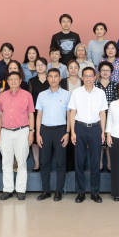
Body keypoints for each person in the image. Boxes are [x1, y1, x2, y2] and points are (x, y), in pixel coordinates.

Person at [68, 67, 108, 203]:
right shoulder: (76, 92)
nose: (88, 78)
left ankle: (95, 192)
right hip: (80, 128)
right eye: (86, 76)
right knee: (79, 161)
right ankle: (80, 192)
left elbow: (103, 113)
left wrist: (103, 131)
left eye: (91, 76)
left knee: (95, 162)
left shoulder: (100, 93)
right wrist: (72, 132)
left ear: (95, 77)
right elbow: (72, 112)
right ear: (82, 77)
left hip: (95, 128)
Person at [0, 72, 35, 201]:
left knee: (21, 161)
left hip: (22, 131)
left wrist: (31, 132)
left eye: (16, 79)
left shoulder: (27, 95)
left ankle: (20, 189)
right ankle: (7, 189)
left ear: (20, 81)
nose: (13, 81)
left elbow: (31, 115)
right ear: (7, 81)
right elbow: (0, 116)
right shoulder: (3, 96)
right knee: (6, 162)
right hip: (5, 132)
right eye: (10, 79)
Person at [35, 68, 71, 201]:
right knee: (44, 162)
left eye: (56, 76)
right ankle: (46, 191)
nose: (53, 79)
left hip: (61, 130)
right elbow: (39, 115)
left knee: (60, 162)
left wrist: (68, 132)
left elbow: (69, 115)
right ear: (47, 78)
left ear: (60, 78)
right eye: (50, 76)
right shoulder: (42, 95)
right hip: (45, 130)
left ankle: (58, 191)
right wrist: (38, 133)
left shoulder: (67, 94)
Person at [95, 61, 119, 172]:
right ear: (99, 72)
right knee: (99, 139)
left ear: (111, 72)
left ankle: (110, 163)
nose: (105, 72)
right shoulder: (95, 85)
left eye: (107, 70)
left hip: (111, 116)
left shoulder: (115, 85)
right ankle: (99, 163)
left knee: (110, 140)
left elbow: (117, 101)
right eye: (103, 70)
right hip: (97, 116)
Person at [28, 58, 50, 172]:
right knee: (35, 140)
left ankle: (45, 162)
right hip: (35, 113)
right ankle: (37, 163)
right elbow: (29, 98)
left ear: (46, 66)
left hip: (50, 113)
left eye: (42, 65)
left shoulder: (51, 79)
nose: (40, 67)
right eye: (37, 65)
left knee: (47, 138)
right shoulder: (32, 81)